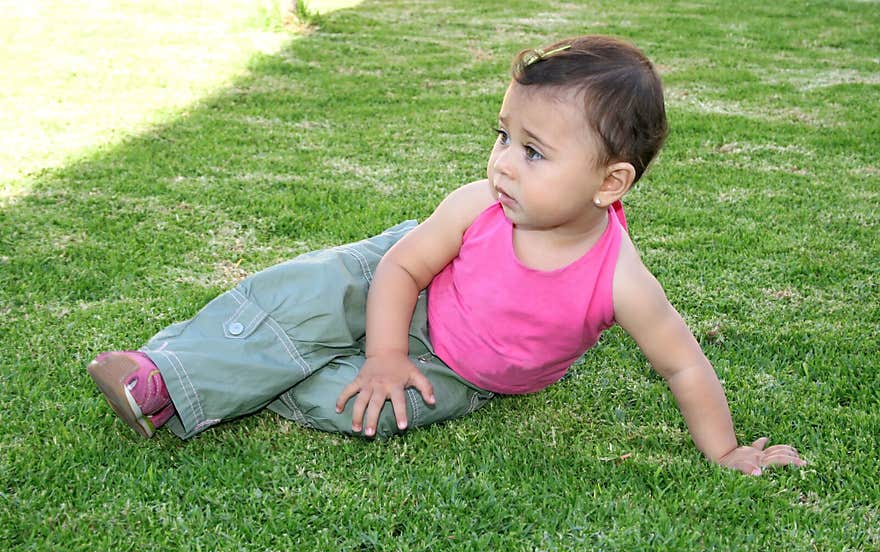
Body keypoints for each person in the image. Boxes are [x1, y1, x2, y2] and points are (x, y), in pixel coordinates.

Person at [88, 34, 806, 477]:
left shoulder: (621, 281)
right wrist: (384, 348)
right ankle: (165, 377)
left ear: (610, 183)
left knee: (365, 411)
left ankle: (255, 379)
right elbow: (402, 269)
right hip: (415, 276)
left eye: (533, 152)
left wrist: (725, 450)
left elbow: (683, 362)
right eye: (502, 137)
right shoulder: (476, 207)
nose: (503, 164)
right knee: (313, 294)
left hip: (465, 369)